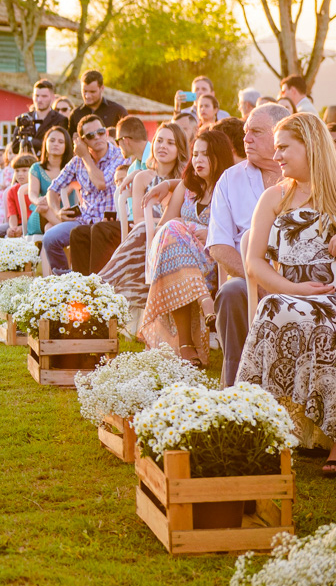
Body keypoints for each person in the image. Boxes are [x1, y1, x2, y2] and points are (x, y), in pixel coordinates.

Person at [237, 112, 336, 474]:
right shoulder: (274, 197)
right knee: (274, 308)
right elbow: (254, 263)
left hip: (333, 297)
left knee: (326, 325)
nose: (275, 155)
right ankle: (258, 426)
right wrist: (295, 289)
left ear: (310, 146)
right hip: (290, 293)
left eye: (283, 148)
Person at [203, 103, 292, 386]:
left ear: (280, 133)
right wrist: (262, 281)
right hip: (248, 277)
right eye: (245, 132)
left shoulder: (307, 175)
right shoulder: (230, 179)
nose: (246, 139)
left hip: (303, 275)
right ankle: (235, 390)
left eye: (256, 132)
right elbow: (219, 246)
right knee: (230, 293)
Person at [140, 129, 236, 364]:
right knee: (174, 228)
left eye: (206, 155)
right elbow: (164, 228)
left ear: (220, 156)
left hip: (211, 261)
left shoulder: (230, 188)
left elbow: (237, 231)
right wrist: (188, 229)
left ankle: (186, 345)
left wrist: (211, 233)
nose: (198, 160)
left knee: (176, 235)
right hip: (175, 257)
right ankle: (204, 301)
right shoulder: (187, 186)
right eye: (195, 154)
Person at [98, 121, 189, 295]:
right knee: (142, 229)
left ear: (180, 149)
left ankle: (101, 282)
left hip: (173, 238)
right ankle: (106, 283)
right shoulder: (142, 177)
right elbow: (139, 218)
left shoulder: (185, 182)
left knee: (142, 230)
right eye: (159, 141)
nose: (163, 146)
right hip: (146, 234)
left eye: (170, 143)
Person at [42, 115, 125, 274]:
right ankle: (66, 281)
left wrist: (85, 156)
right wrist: (57, 211)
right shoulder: (77, 161)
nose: (97, 137)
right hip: (84, 219)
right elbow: (52, 189)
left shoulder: (118, 155)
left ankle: (82, 280)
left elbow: (101, 183)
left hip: (109, 222)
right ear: (82, 141)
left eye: (100, 132)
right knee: (50, 239)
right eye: (91, 135)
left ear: (106, 133)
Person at [29, 125, 75, 232]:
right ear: (45, 143)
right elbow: (32, 193)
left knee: (50, 228)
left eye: (60, 142)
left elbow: (62, 194)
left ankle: (67, 230)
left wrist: (51, 201)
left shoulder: (73, 168)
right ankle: (71, 232)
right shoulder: (36, 168)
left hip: (67, 214)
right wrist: (38, 201)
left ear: (66, 146)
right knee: (44, 208)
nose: (56, 144)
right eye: (52, 140)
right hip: (42, 213)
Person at [0, 154, 36, 239]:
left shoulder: (38, 188)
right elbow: (12, 215)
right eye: (17, 171)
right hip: (18, 223)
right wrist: (13, 229)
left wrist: (23, 228)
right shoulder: (12, 191)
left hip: (35, 224)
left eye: (24, 170)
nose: (20, 174)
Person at [15, 79, 69, 147]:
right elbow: (15, 146)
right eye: (37, 96)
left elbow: (57, 145)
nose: (39, 100)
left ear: (52, 98)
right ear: (32, 96)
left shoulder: (60, 120)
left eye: (44, 96)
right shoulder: (24, 118)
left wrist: (29, 141)